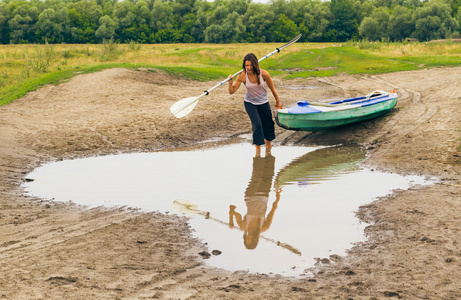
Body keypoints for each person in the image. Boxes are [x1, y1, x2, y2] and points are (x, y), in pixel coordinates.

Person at [228, 53, 282, 156]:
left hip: (263, 102)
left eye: (251, 65)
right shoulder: (242, 76)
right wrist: (230, 83)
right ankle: (258, 151)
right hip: (250, 103)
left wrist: (278, 101)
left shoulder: (264, 74)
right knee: (257, 124)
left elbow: (272, 88)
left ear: (255, 64)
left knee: (268, 124)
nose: (249, 68)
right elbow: (232, 91)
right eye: (246, 65)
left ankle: (268, 147)